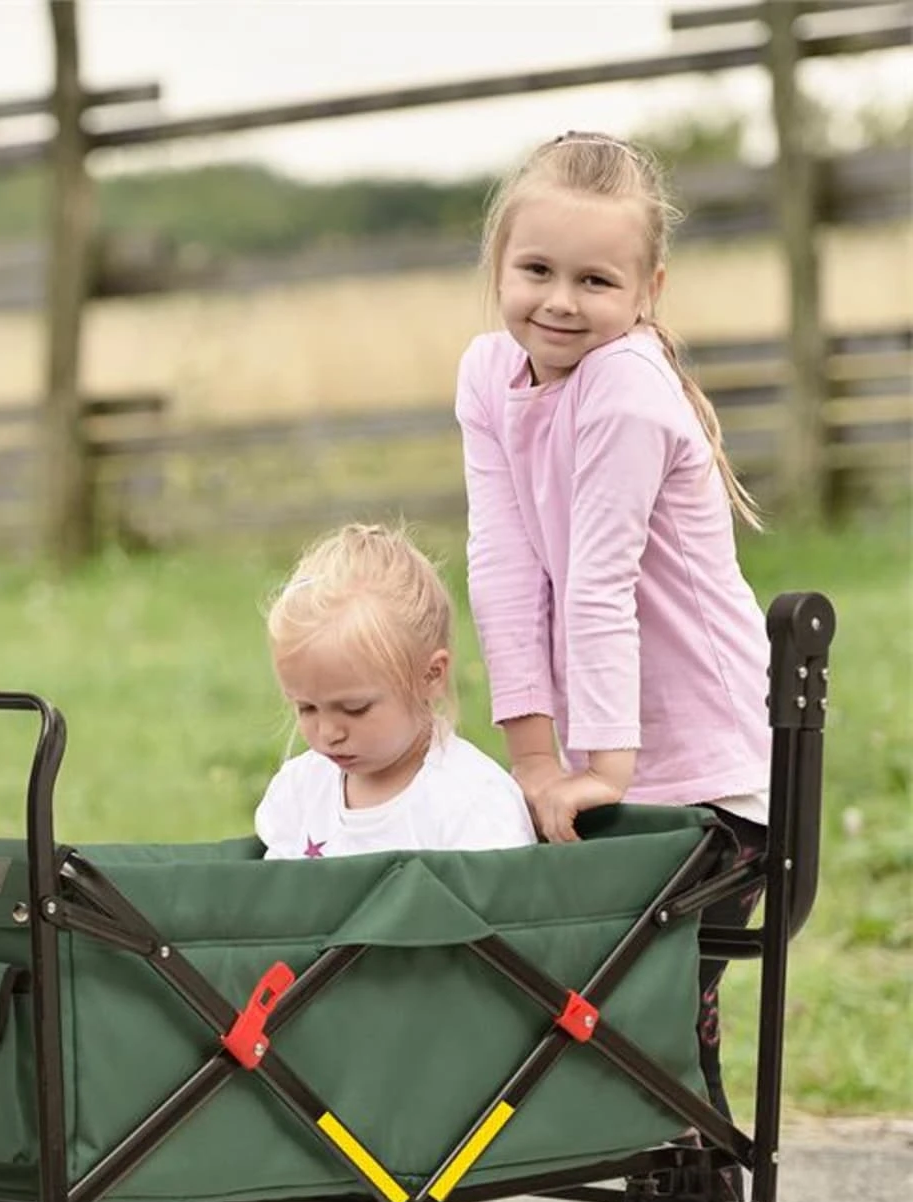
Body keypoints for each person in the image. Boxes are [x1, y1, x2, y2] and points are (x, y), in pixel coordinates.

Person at [456, 130, 771, 1132]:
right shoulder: (489, 378)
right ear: (498, 263)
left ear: (648, 291)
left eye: (595, 279)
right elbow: (504, 569)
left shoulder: (627, 390)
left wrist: (605, 772)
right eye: (536, 270)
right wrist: (536, 760)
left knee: (657, 1026)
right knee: (567, 1020)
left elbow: (597, 587)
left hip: (705, 778)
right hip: (599, 762)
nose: (559, 300)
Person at [254, 522, 535, 860]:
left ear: (430, 675)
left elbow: (495, 905)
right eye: (306, 708)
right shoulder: (299, 791)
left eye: (355, 708)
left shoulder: (472, 803)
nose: (328, 733)